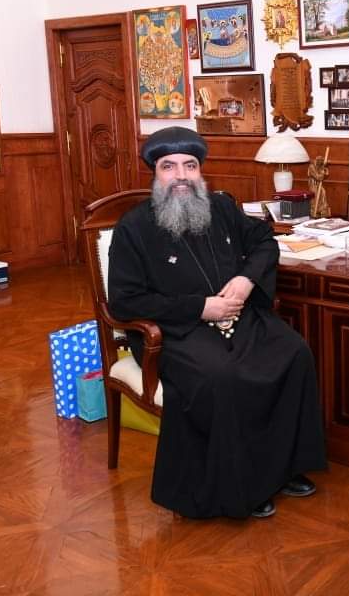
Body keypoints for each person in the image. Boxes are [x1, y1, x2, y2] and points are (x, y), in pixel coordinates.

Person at [108, 126, 327, 520]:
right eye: (169, 166)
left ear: (200, 171)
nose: (181, 176)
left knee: (294, 353)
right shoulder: (133, 228)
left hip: (236, 316)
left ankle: (283, 469)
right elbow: (125, 301)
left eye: (189, 166)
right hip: (174, 330)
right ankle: (243, 487)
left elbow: (264, 242)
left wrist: (246, 281)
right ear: (155, 173)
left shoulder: (222, 207)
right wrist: (200, 308)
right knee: (223, 376)